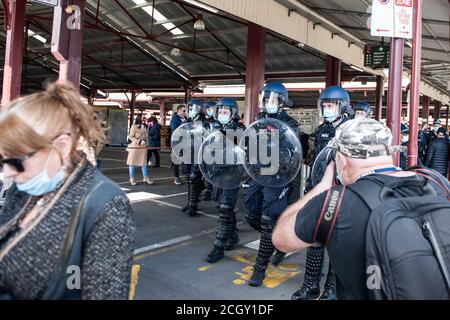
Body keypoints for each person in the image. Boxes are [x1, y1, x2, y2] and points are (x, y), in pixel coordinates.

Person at [273, 119, 450, 300]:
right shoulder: (436, 181)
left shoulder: (335, 201)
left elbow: (282, 239)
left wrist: (322, 187)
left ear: (341, 159)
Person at [0, 82, 135, 299]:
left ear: (62, 146)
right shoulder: (24, 186)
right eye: (2, 160)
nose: (7, 173)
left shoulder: (105, 204)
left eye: (16, 161)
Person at [293, 85, 351, 300]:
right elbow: (315, 161)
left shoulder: (351, 130)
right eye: (324, 105)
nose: (327, 109)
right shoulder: (322, 130)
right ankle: (310, 285)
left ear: (342, 106)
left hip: (341, 191)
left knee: (336, 242)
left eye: (330, 105)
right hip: (318, 189)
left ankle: (331, 290)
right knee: (315, 238)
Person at [244, 82, 300, 286]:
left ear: (282, 101)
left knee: (268, 219)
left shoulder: (290, 123)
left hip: (278, 176)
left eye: (273, 100)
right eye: (266, 99)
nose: (269, 103)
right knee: (251, 213)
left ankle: (260, 267)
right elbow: (249, 144)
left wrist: (276, 147)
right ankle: (278, 240)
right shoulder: (258, 120)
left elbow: (294, 150)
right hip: (259, 174)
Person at [205, 98, 245, 263]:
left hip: (232, 173)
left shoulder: (239, 129)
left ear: (232, 114)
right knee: (220, 204)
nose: (221, 115)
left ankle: (218, 247)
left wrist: (218, 134)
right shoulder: (215, 128)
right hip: (217, 172)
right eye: (219, 112)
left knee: (225, 207)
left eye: (225, 112)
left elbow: (239, 144)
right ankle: (233, 234)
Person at [181, 99, 209, 217]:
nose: (190, 110)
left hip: (198, 154)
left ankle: (193, 205)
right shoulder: (187, 121)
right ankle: (189, 202)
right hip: (188, 153)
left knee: (194, 178)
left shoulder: (204, 123)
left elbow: (206, 138)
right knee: (188, 177)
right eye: (190, 108)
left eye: (193, 108)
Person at [127, 114, 153, 186]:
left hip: (143, 147)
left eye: (145, 118)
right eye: (143, 118)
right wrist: (138, 141)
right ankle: (131, 178)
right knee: (132, 163)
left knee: (144, 163)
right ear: (139, 118)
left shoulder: (145, 126)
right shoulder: (134, 126)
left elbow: (147, 136)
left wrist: (145, 141)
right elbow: (130, 136)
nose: (144, 119)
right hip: (135, 147)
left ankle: (145, 177)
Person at [202, 100, 220, 201]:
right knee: (207, 172)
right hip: (206, 150)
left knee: (215, 172)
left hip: (216, 151)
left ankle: (213, 192)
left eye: (212, 109)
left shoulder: (219, 121)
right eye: (208, 109)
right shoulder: (204, 122)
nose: (210, 111)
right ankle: (208, 190)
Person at [170, 105, 186, 185]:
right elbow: (175, 129)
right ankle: (176, 177)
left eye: (185, 111)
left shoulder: (185, 119)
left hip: (185, 143)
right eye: (183, 111)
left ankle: (186, 175)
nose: (185, 112)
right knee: (176, 161)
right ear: (178, 111)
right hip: (177, 143)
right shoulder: (174, 119)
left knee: (186, 159)